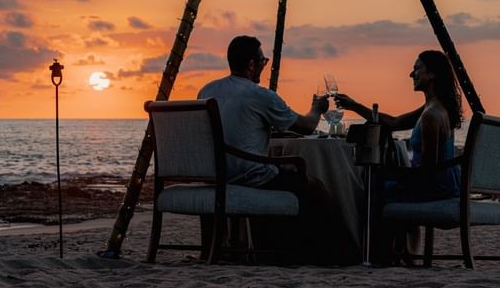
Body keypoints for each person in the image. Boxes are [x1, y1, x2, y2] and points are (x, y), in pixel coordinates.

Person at [198, 35, 357, 264]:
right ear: (252, 64)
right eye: (263, 61)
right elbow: (305, 126)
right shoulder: (259, 94)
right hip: (249, 177)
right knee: (314, 186)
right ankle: (339, 255)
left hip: (216, 176)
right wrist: (317, 109)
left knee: (292, 178)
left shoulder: (207, 90)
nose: (264, 65)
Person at [337, 49, 463, 202]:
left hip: (434, 190)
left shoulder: (431, 115)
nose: (411, 74)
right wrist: (354, 106)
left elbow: (428, 171)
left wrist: (390, 172)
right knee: (375, 181)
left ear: (432, 74)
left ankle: (363, 226)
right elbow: (393, 123)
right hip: (446, 185)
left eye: (417, 69)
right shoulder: (434, 107)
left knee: (366, 188)